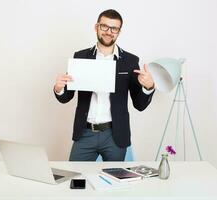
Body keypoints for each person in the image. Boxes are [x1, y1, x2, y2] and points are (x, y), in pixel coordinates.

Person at [54, 9, 155, 161]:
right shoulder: (81, 56)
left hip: (115, 135)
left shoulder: (130, 61)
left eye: (114, 28)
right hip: (85, 133)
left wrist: (148, 87)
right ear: (96, 27)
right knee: (77, 180)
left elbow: (139, 105)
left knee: (114, 182)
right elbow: (66, 96)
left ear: (119, 32)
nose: (109, 32)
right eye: (104, 27)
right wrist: (59, 88)